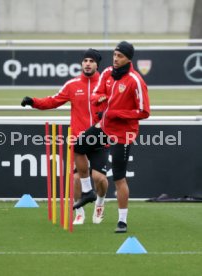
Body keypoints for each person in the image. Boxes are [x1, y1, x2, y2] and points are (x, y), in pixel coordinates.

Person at [21, 49, 109, 225]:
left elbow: (117, 104)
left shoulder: (107, 84)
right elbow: (53, 100)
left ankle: (99, 204)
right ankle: (80, 212)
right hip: (78, 138)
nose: (88, 63)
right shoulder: (72, 85)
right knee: (75, 179)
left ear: (97, 64)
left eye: (91, 61)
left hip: (100, 137)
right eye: (85, 60)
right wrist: (33, 102)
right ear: (81, 63)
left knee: (100, 179)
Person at [73, 41, 150, 233]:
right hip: (104, 127)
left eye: (120, 56)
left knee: (119, 178)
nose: (115, 59)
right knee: (78, 146)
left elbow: (144, 111)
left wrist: (117, 113)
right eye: (114, 55)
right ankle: (88, 191)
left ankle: (122, 221)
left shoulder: (135, 80)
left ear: (128, 58)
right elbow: (96, 94)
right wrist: (100, 100)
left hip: (123, 134)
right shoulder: (107, 73)